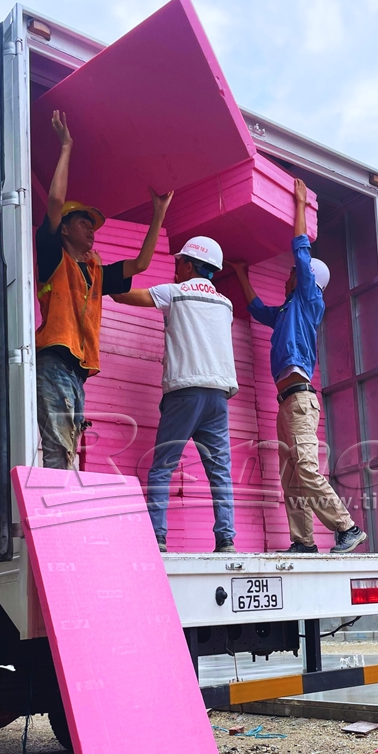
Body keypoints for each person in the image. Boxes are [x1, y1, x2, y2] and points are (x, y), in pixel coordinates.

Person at [228, 179, 367, 554]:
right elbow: (258, 310)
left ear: (308, 281)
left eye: (293, 272)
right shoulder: (288, 312)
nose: (288, 275)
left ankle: (347, 527)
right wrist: (240, 273)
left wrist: (301, 204)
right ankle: (303, 541)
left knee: (305, 466)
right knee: (290, 475)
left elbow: (302, 253)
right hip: (287, 402)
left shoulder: (309, 301)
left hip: (301, 400)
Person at [35, 110, 173, 469]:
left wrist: (158, 214)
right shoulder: (52, 256)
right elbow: (54, 203)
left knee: (68, 450)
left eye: (92, 225)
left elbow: (140, 265)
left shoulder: (96, 274)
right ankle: (55, 504)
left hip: (77, 371)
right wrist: (66, 146)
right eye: (83, 223)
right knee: (59, 451)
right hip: (53, 361)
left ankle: (59, 500)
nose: (91, 230)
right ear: (65, 229)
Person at [114, 237, 238, 554]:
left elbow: (124, 296)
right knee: (220, 471)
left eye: (179, 261)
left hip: (185, 393)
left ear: (189, 265)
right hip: (218, 396)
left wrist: (101, 278)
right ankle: (226, 539)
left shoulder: (175, 293)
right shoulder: (225, 304)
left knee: (162, 466)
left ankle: (158, 537)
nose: (175, 267)